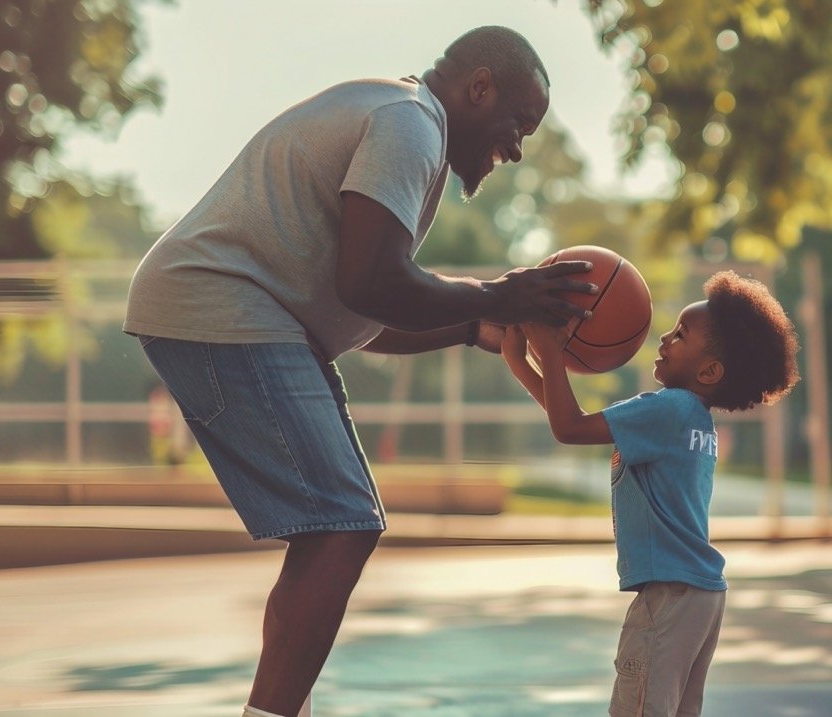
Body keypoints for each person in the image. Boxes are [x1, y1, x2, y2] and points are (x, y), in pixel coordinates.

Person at [123, 26, 597, 717]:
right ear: (479, 88)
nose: (518, 148)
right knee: (345, 523)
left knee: (334, 527)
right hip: (219, 302)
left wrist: (472, 324)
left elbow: (365, 309)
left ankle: (283, 708)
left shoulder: (406, 122)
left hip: (241, 310)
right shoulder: (409, 126)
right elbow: (372, 281)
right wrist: (498, 294)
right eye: (518, 124)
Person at [501, 270, 801, 717]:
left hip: (672, 594)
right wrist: (522, 360)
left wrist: (548, 350)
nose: (665, 336)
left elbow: (569, 427)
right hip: (699, 594)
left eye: (681, 334)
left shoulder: (668, 408)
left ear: (710, 370)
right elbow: (577, 420)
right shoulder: (689, 416)